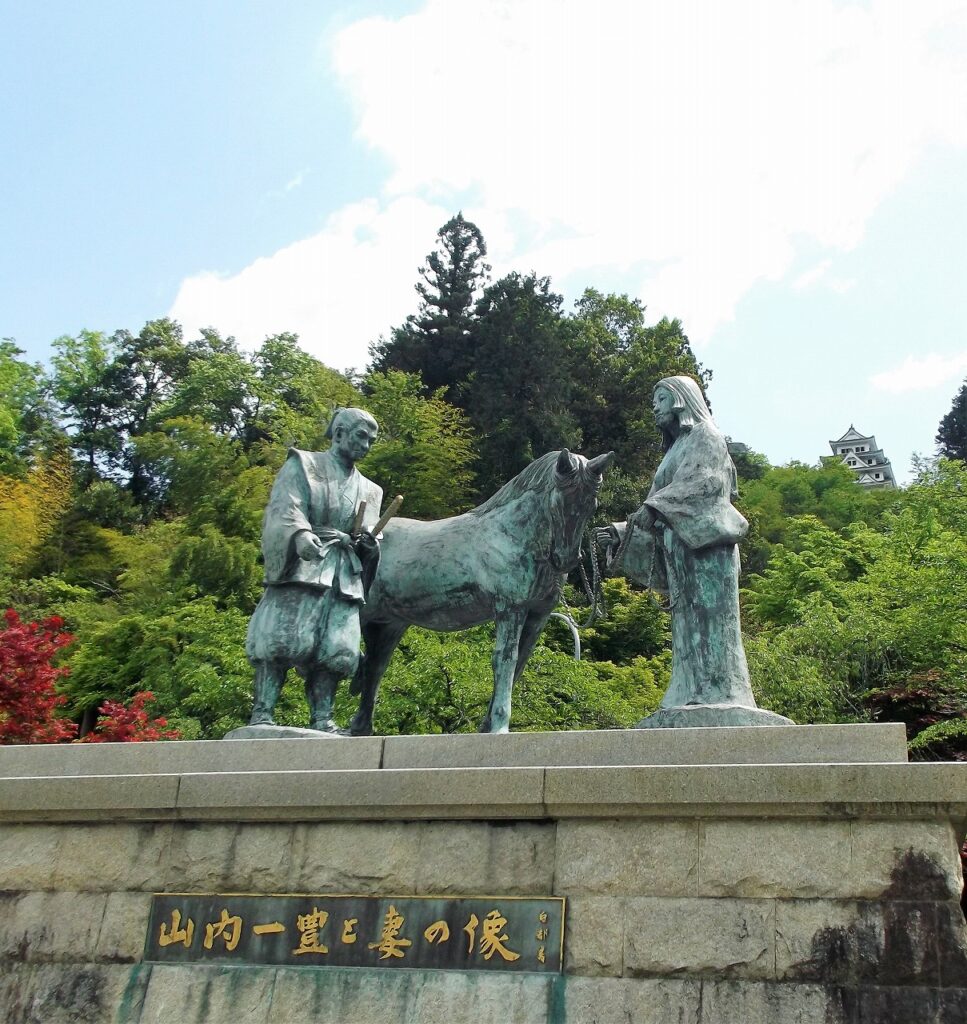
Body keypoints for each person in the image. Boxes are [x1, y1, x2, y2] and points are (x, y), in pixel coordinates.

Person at [598, 375, 756, 710]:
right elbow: (654, 506)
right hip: (680, 547)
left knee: (711, 624)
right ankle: (688, 691)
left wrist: (653, 508)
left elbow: (704, 484)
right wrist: (622, 532)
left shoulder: (706, 435)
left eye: (661, 399)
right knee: (686, 626)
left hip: (708, 547)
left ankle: (722, 693)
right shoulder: (674, 450)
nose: (655, 408)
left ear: (681, 399)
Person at [245, 407, 382, 732]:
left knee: (336, 648)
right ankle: (262, 712)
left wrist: (369, 545)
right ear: (339, 434)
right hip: (305, 564)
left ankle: (323, 717)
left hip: (344, 572)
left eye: (371, 441)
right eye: (361, 437)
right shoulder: (304, 465)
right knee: (280, 639)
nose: (366, 446)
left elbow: (373, 534)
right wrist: (299, 535)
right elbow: (286, 507)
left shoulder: (371, 490)